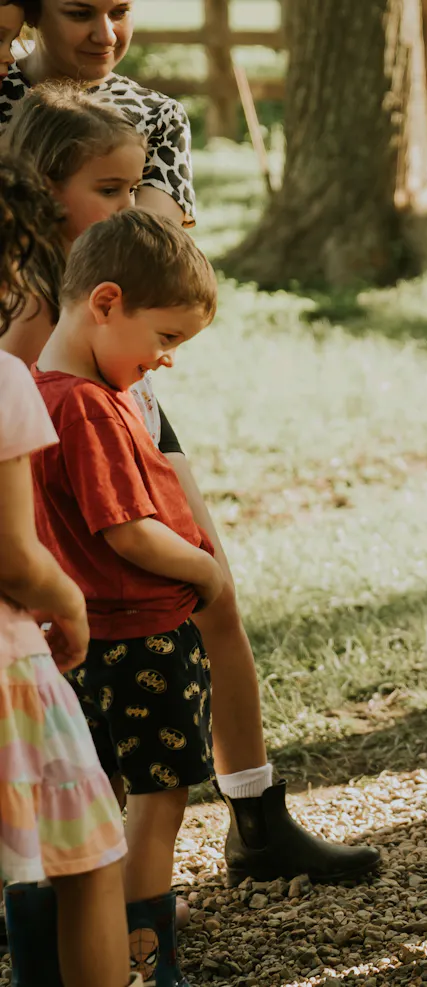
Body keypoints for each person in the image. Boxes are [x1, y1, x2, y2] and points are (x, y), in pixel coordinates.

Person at [0, 22, 379, 878]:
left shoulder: (134, 179)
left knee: (216, 592)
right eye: (109, 191)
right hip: (62, 448)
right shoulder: (34, 288)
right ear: (47, 190)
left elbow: (171, 261)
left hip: (133, 417)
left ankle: (257, 815)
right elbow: (14, 402)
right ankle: (82, 864)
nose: (129, 205)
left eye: (132, 188)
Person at [27, 208, 217, 984]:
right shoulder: (88, 405)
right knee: (158, 801)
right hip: (142, 637)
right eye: (166, 335)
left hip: (81, 641)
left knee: (93, 801)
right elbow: (129, 532)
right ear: (106, 302)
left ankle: (84, 952)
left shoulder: (35, 390)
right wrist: (205, 569)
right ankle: (147, 956)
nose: (167, 357)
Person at [0, 152, 139, 987]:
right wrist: (68, 601)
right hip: (7, 668)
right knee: (87, 856)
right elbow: (13, 553)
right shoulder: (5, 381)